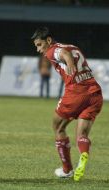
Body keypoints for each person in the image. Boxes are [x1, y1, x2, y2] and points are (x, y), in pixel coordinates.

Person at [31, 27, 103, 181]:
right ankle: (83, 153)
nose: (38, 49)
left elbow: (64, 55)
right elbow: (68, 53)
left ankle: (67, 169)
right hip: (95, 93)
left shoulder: (53, 50)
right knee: (81, 135)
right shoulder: (72, 46)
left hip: (76, 93)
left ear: (48, 41)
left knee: (58, 127)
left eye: (39, 45)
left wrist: (70, 64)